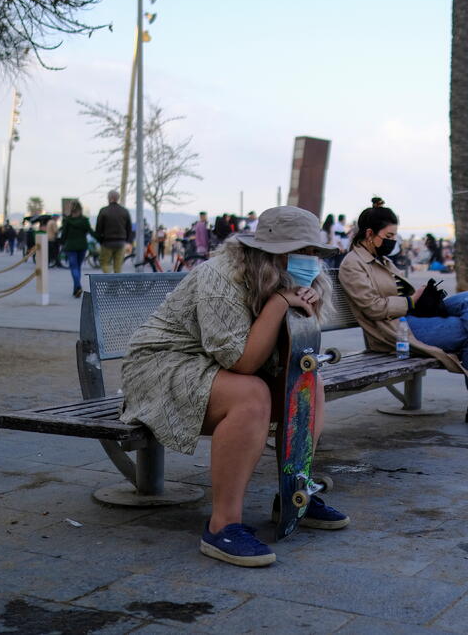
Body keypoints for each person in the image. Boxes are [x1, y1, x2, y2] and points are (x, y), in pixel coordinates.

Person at [121, 206, 346, 567]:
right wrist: (278, 304)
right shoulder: (220, 276)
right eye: (300, 251)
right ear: (271, 251)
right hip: (161, 366)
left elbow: (287, 357)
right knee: (251, 396)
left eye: (313, 251)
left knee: (310, 384)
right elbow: (241, 363)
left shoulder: (288, 280)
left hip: (212, 366)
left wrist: (298, 310)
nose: (309, 260)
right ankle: (222, 526)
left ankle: (294, 494)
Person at [338, 206, 468, 427]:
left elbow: (398, 296)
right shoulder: (353, 264)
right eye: (388, 236)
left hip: (410, 317)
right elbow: (372, 307)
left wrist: (423, 298)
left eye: (395, 236)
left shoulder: (381, 259)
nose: (392, 242)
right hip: (392, 331)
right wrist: (412, 301)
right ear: (369, 233)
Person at [61, 200, 97, 298]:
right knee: (78, 267)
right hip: (82, 246)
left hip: (70, 247)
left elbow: (64, 234)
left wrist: (62, 243)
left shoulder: (67, 220)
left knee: (74, 267)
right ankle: (76, 289)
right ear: (80, 209)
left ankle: (77, 287)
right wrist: (100, 238)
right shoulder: (84, 220)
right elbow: (91, 232)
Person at [95, 191, 133, 273]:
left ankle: (109, 278)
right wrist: (128, 241)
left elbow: (98, 228)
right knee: (118, 266)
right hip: (121, 242)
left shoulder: (103, 211)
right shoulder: (124, 211)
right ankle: (116, 280)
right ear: (118, 198)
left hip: (107, 242)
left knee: (104, 262)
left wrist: (100, 240)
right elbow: (129, 228)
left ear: (109, 198)